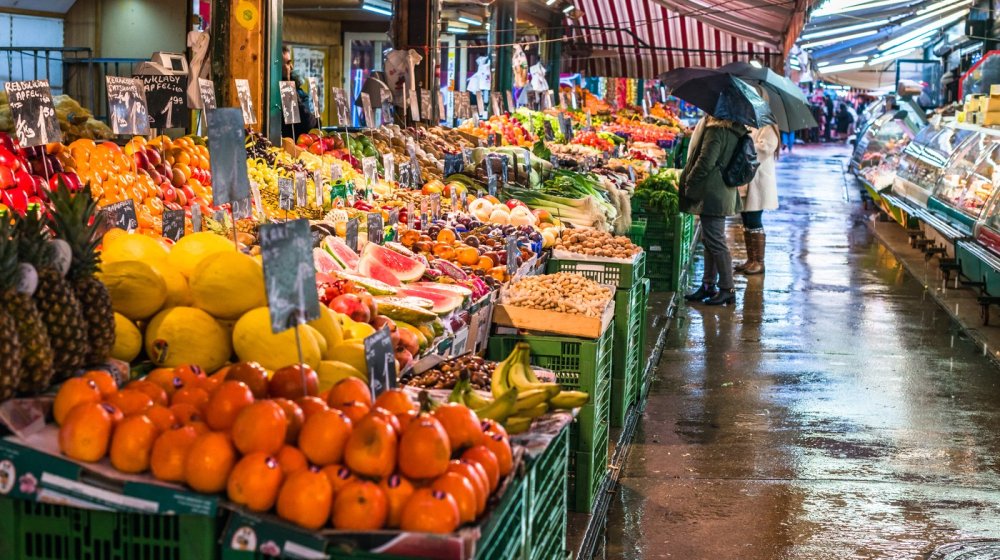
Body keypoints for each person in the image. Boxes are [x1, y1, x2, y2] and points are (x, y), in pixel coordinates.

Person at [680, 115, 747, 306]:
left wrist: (689, 181)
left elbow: (706, 161)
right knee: (709, 239)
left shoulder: (716, 131)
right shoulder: (734, 129)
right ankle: (708, 284)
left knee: (716, 241)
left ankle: (727, 288)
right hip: (721, 190)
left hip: (713, 192)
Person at [735, 122, 780, 275]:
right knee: (746, 218)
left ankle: (759, 262)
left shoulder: (768, 125)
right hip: (747, 177)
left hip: (759, 179)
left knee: (754, 218)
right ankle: (751, 259)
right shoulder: (751, 123)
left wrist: (743, 146)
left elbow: (765, 147)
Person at [281, 45, 319, 139]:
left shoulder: (298, 92)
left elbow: (309, 124)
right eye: (287, 63)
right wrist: (286, 80)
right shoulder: (278, 92)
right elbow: (307, 122)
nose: (291, 67)